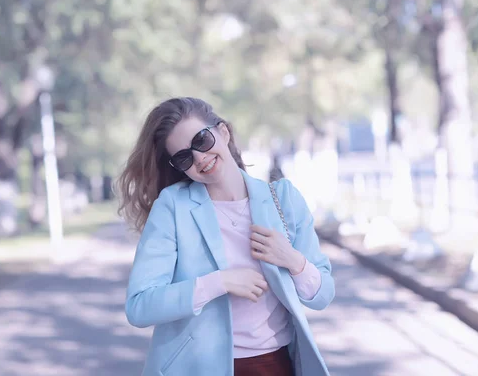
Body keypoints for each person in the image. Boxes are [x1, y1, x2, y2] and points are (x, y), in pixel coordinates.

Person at [117, 97, 335, 376]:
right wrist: (219, 282)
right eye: (184, 156)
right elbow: (140, 306)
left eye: (202, 140)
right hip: (198, 368)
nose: (199, 157)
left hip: (276, 365)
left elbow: (322, 295)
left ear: (223, 132)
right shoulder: (173, 206)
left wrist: (293, 260)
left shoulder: (284, 198)